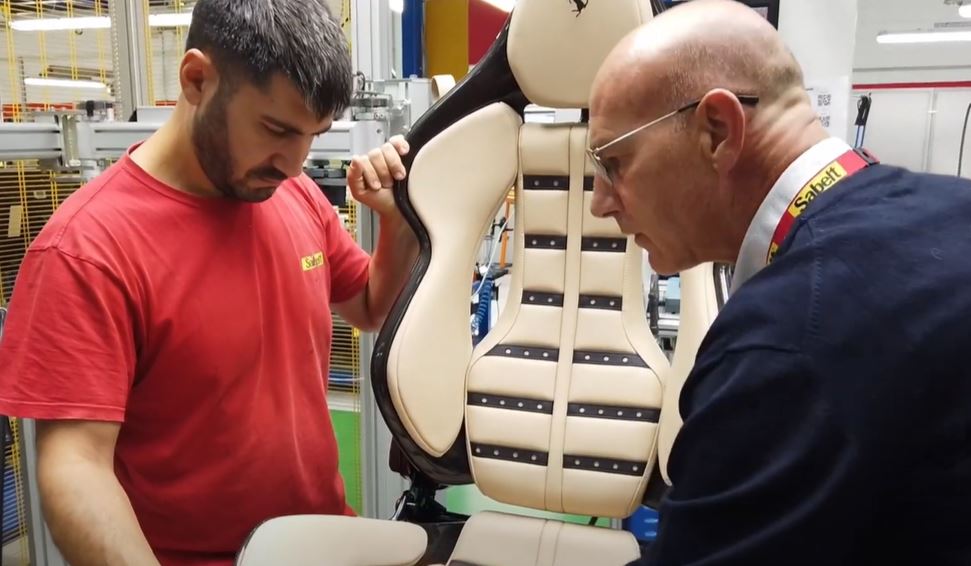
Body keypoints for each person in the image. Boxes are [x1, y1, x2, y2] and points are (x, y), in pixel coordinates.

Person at [0, 1, 415, 564]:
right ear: (197, 79)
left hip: (322, 541)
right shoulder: (86, 249)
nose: (295, 164)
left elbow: (369, 306)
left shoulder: (293, 195)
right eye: (275, 129)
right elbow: (76, 466)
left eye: (313, 136)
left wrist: (397, 221)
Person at [586, 0, 971, 564]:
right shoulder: (952, 210)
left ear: (717, 131)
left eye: (614, 162)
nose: (599, 203)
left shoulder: (787, 342)